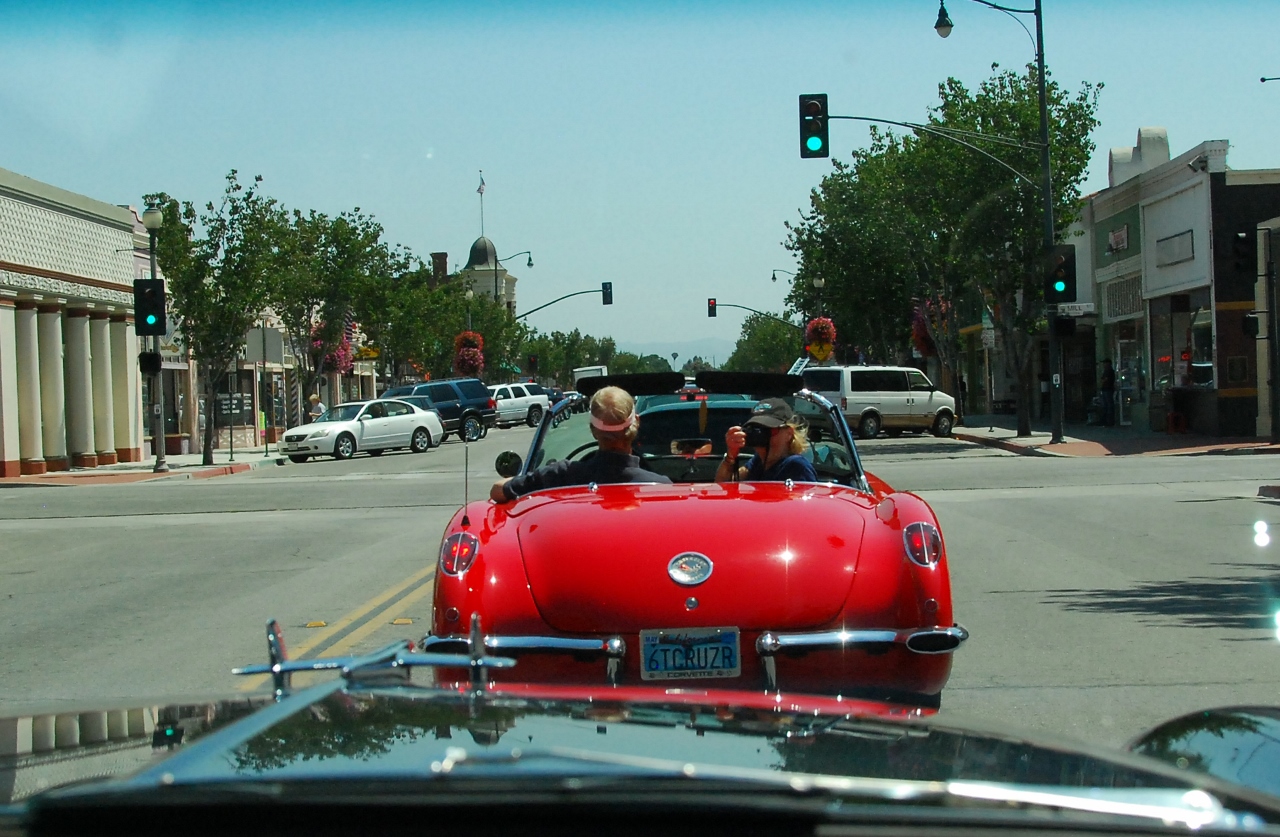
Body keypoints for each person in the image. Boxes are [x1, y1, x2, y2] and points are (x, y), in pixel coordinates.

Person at [490, 385, 671, 503]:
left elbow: (498, 491)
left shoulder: (560, 475)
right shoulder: (662, 488)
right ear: (636, 423)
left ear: (593, 429)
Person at [716, 398, 818, 483]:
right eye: (756, 429)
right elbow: (723, 487)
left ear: (788, 434)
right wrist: (731, 456)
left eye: (769, 430)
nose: (762, 436)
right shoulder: (758, 463)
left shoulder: (796, 466)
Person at [1100, 359, 1116, 427]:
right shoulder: (1106, 371)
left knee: (1108, 406)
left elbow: (1104, 380)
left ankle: (1109, 422)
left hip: (1108, 390)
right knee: (1106, 406)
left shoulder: (1109, 371)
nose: (1104, 365)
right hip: (1105, 389)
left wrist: (1103, 380)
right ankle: (1106, 422)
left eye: (1105, 363)